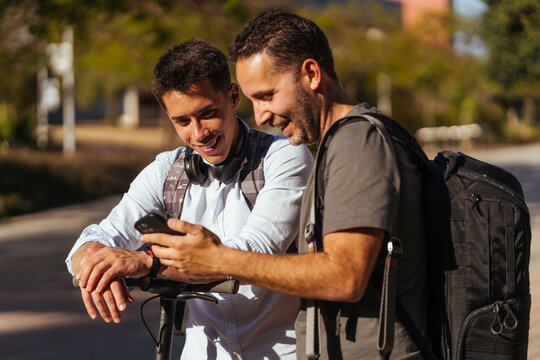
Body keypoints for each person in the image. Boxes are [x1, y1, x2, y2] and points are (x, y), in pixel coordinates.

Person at [141, 10, 428, 360]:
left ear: (310, 74)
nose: (260, 115)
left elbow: (344, 276)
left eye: (266, 95)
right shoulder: (345, 140)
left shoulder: (357, 140)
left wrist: (218, 259)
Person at [66, 39, 314, 360]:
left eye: (207, 114)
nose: (198, 134)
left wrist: (147, 261)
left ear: (233, 97)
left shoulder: (285, 157)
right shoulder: (166, 170)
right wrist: (98, 263)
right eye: (182, 122)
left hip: (284, 351)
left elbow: (255, 251)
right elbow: (94, 239)